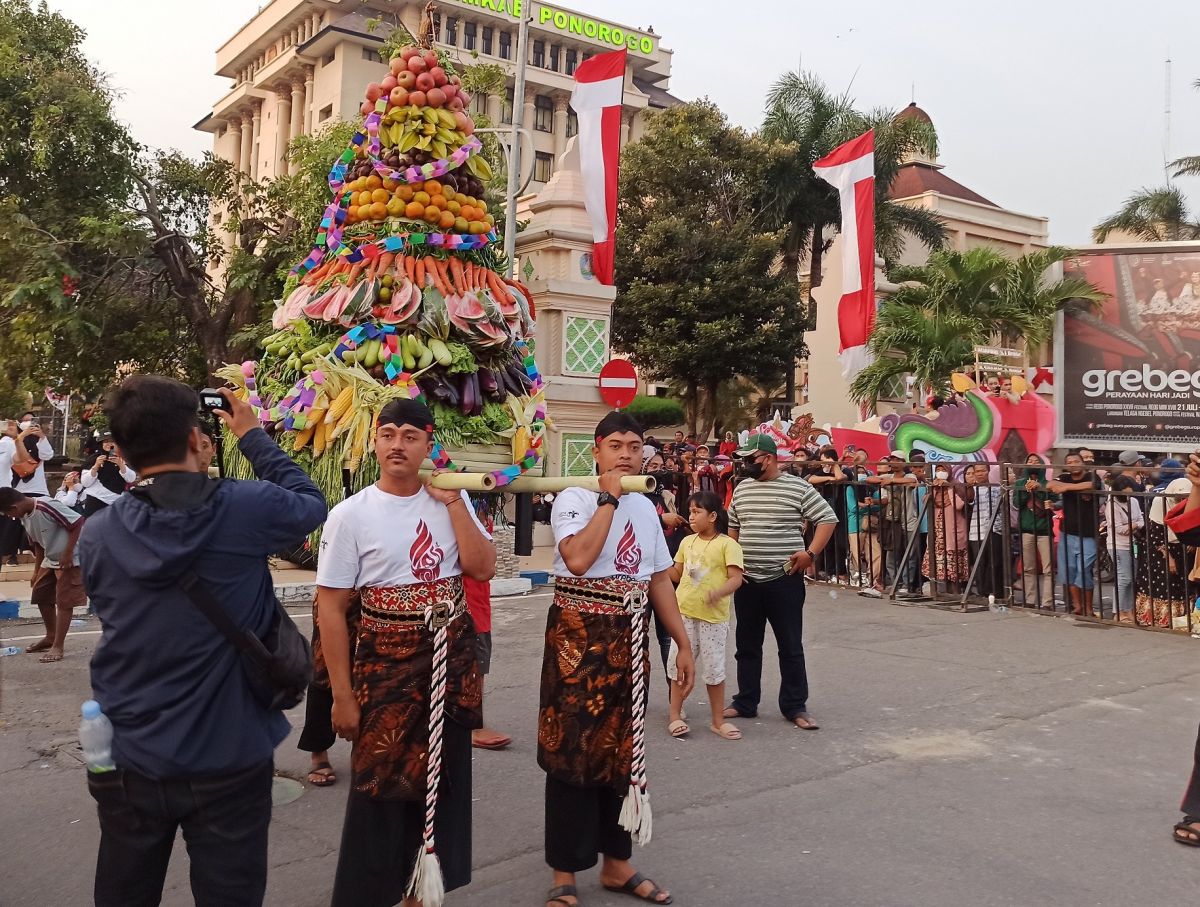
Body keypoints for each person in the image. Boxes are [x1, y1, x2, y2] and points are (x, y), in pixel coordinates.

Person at [79, 376, 327, 907]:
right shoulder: (245, 507)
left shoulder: (100, 533)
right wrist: (253, 435)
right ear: (197, 439)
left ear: (120, 451)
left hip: (129, 754)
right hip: (230, 754)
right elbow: (309, 502)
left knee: (123, 890)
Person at [316, 398, 495, 907]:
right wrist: (342, 696)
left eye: (410, 436)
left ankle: (422, 891)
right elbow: (330, 611)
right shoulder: (350, 515)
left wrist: (455, 502)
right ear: (375, 440)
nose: (398, 444)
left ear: (427, 443)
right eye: (389, 433)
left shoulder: (450, 502)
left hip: (449, 665)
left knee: (442, 779)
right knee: (382, 783)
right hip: (384, 665)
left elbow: (481, 569)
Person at [541, 411, 694, 907]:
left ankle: (617, 864)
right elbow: (579, 559)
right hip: (576, 639)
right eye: (616, 446)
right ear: (597, 450)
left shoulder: (648, 508)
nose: (627, 454)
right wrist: (608, 499)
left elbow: (657, 580)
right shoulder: (575, 498)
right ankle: (564, 872)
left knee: (621, 749)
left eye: (635, 446)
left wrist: (681, 643)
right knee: (570, 750)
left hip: (630, 635)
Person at [724, 433, 837, 731]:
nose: (746, 465)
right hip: (748, 580)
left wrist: (810, 553)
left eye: (751, 459)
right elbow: (733, 526)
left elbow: (827, 518)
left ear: (769, 458)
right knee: (746, 645)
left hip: (784, 578)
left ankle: (794, 706)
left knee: (790, 645)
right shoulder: (743, 488)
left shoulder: (797, 487)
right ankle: (745, 702)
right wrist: (733, 564)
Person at [665, 491, 744, 741]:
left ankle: (717, 721)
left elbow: (736, 579)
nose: (691, 516)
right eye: (690, 511)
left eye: (697, 512)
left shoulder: (728, 544)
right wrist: (656, 563)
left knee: (714, 669)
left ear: (712, 516)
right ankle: (675, 715)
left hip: (713, 619)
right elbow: (676, 574)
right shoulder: (686, 542)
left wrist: (718, 592)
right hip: (684, 613)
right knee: (678, 665)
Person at [0, 486, 85, 662]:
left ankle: (58, 646)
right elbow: (38, 545)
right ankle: (50, 636)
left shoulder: (46, 505)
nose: (9, 517)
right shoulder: (25, 517)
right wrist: (36, 571)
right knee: (41, 594)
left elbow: (77, 523)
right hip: (50, 557)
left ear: (14, 508)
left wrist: (68, 553)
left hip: (70, 558)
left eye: (7, 513)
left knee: (64, 601)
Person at [1048, 452, 1103, 616]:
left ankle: (1089, 607)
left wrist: (1066, 488)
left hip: (1088, 533)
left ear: (1082, 463)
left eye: (1076, 461)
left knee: (1084, 569)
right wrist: (1063, 486)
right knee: (1069, 569)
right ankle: (1077, 606)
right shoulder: (1064, 477)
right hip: (1067, 532)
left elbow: (1092, 485)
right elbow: (1050, 484)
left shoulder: (1092, 476)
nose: (1073, 464)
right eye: (1069, 461)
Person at [1136, 476, 1191, 629]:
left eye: (1186, 497)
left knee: (1182, 584)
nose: (1181, 501)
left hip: (1182, 547)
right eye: (1179, 497)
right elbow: (1157, 535)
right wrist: (1169, 558)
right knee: (1164, 583)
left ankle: (1181, 617)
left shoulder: (1190, 503)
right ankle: (1160, 617)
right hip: (1161, 550)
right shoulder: (1161, 502)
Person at [466, 574, 513, 751]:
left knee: (477, 665)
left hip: (477, 601)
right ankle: (473, 726)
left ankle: (472, 723)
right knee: (475, 667)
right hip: (469, 606)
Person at [1012, 454, 1056, 609]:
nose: (1033, 463)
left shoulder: (1048, 483)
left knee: (1048, 568)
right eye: (1030, 461)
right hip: (1026, 530)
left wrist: (1039, 489)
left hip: (1044, 530)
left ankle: (1047, 602)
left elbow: (1055, 501)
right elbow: (1017, 503)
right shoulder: (1019, 483)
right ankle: (1030, 600)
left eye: (1036, 462)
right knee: (1028, 567)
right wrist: (1026, 490)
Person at [1102, 475, 1144, 622]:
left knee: (1132, 578)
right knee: (1124, 578)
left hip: (1133, 544)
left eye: (1129, 492)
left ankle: (1129, 610)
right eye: (1124, 493)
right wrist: (1134, 525)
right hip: (1118, 545)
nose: (1127, 496)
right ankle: (1119, 611)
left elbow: (1141, 520)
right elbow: (1119, 529)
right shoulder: (1112, 505)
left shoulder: (1133, 501)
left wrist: (1132, 526)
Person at [924, 466, 970, 593]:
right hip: (938, 535)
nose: (940, 473)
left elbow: (959, 505)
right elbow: (928, 502)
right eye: (938, 470)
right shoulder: (934, 487)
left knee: (953, 566)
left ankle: (955, 593)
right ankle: (943, 593)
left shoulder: (956, 485)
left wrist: (948, 487)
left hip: (953, 534)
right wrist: (934, 489)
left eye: (943, 470)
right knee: (941, 565)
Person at [965, 463, 1005, 599]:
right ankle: (982, 592)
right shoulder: (972, 489)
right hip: (976, 531)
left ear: (988, 471)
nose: (980, 473)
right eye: (977, 471)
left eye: (983, 470)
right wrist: (970, 487)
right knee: (979, 563)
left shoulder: (995, 487)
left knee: (994, 562)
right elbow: (969, 501)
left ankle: (995, 592)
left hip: (993, 529)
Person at [79, 434, 136, 515]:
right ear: (101, 444)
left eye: (113, 441)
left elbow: (131, 479)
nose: (109, 444)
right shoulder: (94, 458)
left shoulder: (124, 458)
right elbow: (85, 483)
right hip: (96, 501)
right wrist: (96, 466)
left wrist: (121, 465)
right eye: (106, 441)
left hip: (116, 503)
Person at [13, 416, 55, 498]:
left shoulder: (39, 440)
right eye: (25, 420)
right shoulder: (14, 440)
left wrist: (42, 437)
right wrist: (21, 437)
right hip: (16, 488)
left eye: (31, 420)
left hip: (37, 489)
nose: (28, 423)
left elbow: (47, 456)